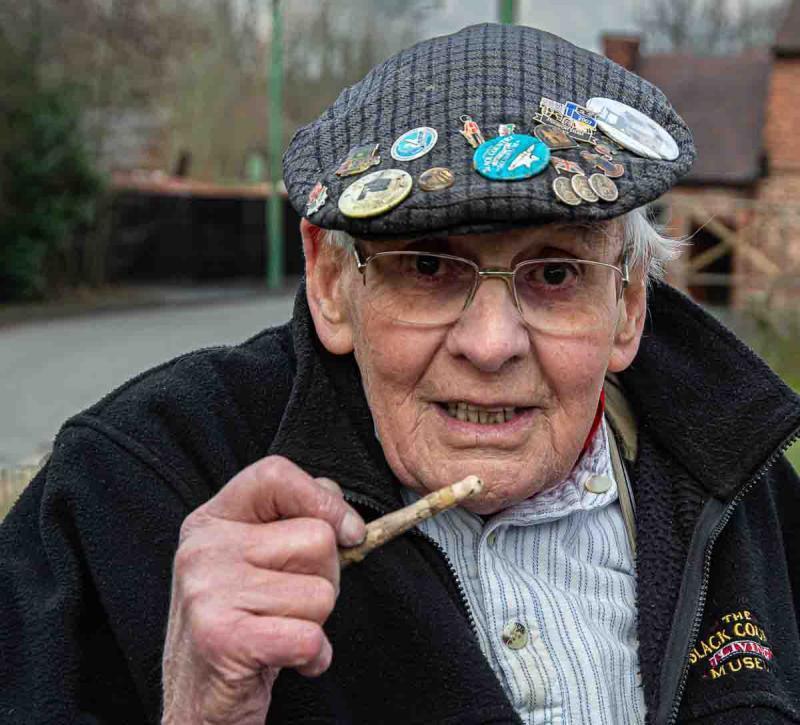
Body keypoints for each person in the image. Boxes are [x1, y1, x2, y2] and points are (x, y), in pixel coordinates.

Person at [2, 22, 800, 725]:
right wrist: (202, 709)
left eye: (555, 273)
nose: (491, 345)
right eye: (427, 267)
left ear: (627, 303)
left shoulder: (738, 486)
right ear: (330, 281)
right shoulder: (134, 487)